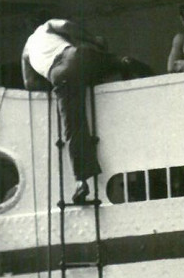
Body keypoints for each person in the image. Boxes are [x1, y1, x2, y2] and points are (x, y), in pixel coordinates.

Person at [21, 18, 128, 204]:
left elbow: (29, 83)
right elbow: (67, 26)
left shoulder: (26, 51)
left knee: (73, 128)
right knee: (118, 61)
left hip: (58, 75)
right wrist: (95, 41)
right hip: (74, 56)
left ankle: (81, 181)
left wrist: (59, 87)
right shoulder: (46, 26)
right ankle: (130, 69)